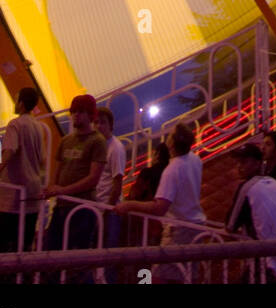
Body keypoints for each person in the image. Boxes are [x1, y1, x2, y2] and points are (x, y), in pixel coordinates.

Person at [116, 122, 205, 279]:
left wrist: (129, 205)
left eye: (170, 134)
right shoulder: (195, 160)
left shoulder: (172, 170)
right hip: (196, 226)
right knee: (187, 275)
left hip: (178, 230)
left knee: (160, 276)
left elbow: (160, 207)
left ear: (172, 143)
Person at [42, 94, 107, 282]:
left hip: (82, 208)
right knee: (51, 256)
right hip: (62, 207)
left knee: (78, 261)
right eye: (74, 112)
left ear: (90, 115)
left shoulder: (97, 141)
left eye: (81, 112)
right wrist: (52, 188)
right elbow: (58, 169)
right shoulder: (66, 141)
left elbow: (93, 179)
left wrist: (61, 190)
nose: (76, 116)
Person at [0, 86, 45, 258]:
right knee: (24, 246)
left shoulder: (15, 124)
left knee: (3, 247)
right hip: (33, 192)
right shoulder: (38, 126)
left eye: (16, 100)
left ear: (21, 104)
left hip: (14, 196)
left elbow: (10, 150)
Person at [226, 143, 276, 283]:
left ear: (257, 163)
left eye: (243, 162)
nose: (239, 166)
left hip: (265, 260)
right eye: (238, 162)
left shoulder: (247, 187)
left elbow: (230, 224)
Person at [95, 107, 126, 283]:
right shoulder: (98, 146)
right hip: (97, 208)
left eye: (103, 122)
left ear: (110, 125)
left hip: (108, 211)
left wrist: (107, 209)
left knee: (109, 255)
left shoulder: (116, 148)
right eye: (96, 122)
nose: (99, 126)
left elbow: (117, 182)